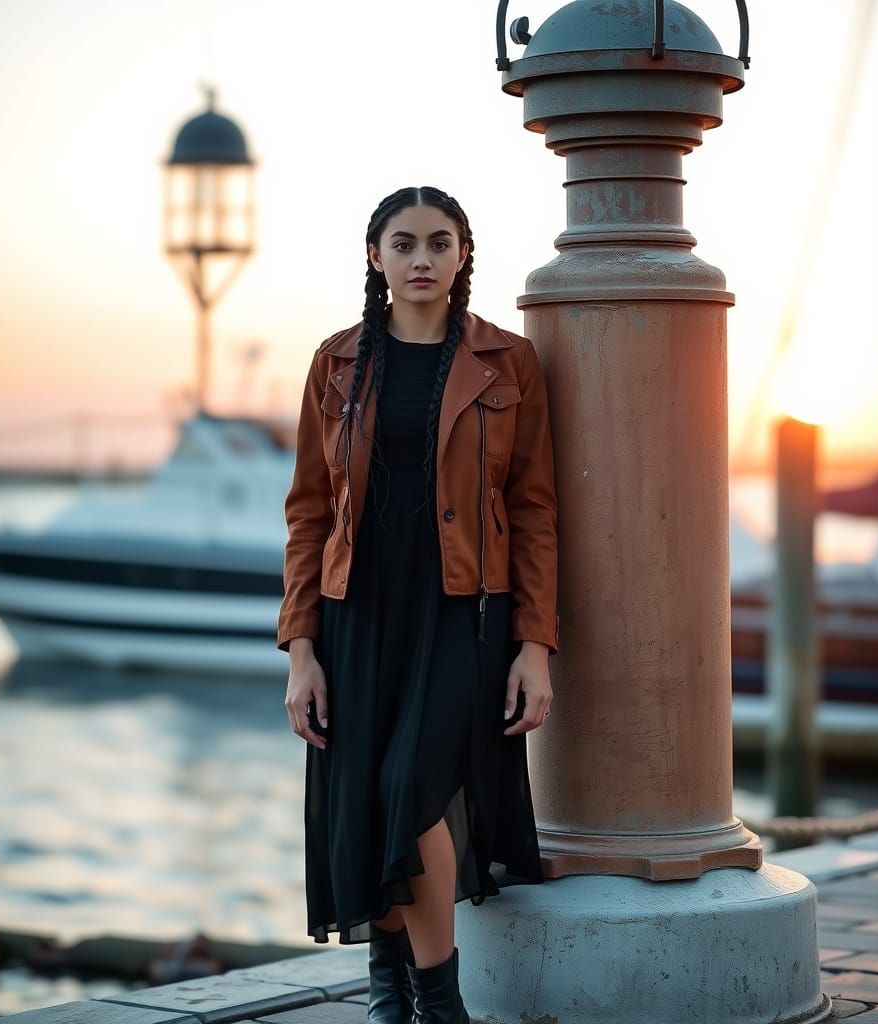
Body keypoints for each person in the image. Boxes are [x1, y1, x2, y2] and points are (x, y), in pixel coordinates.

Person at [278, 185, 559, 1024]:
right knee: (365, 794)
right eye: (404, 244)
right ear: (376, 257)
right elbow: (308, 509)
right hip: (357, 611)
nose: (423, 259)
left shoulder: (508, 363)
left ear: (464, 254)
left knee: (410, 789)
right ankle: (391, 991)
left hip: (464, 610)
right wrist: (301, 650)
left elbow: (538, 509)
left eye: (440, 243)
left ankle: (439, 1003)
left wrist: (534, 643)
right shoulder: (335, 362)